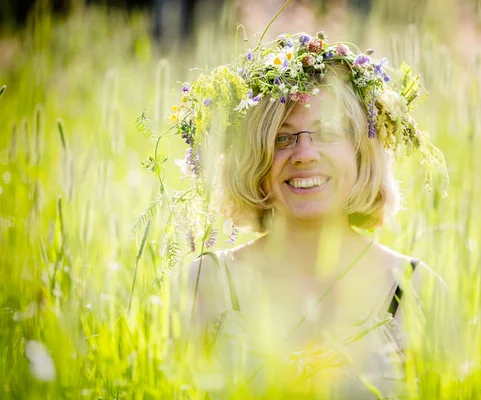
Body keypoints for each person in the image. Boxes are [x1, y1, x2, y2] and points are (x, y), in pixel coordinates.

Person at [175, 31, 449, 398]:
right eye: (281, 138)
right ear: (254, 160)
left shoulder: (415, 289)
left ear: (360, 151)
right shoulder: (204, 284)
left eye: (326, 132)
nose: (304, 154)